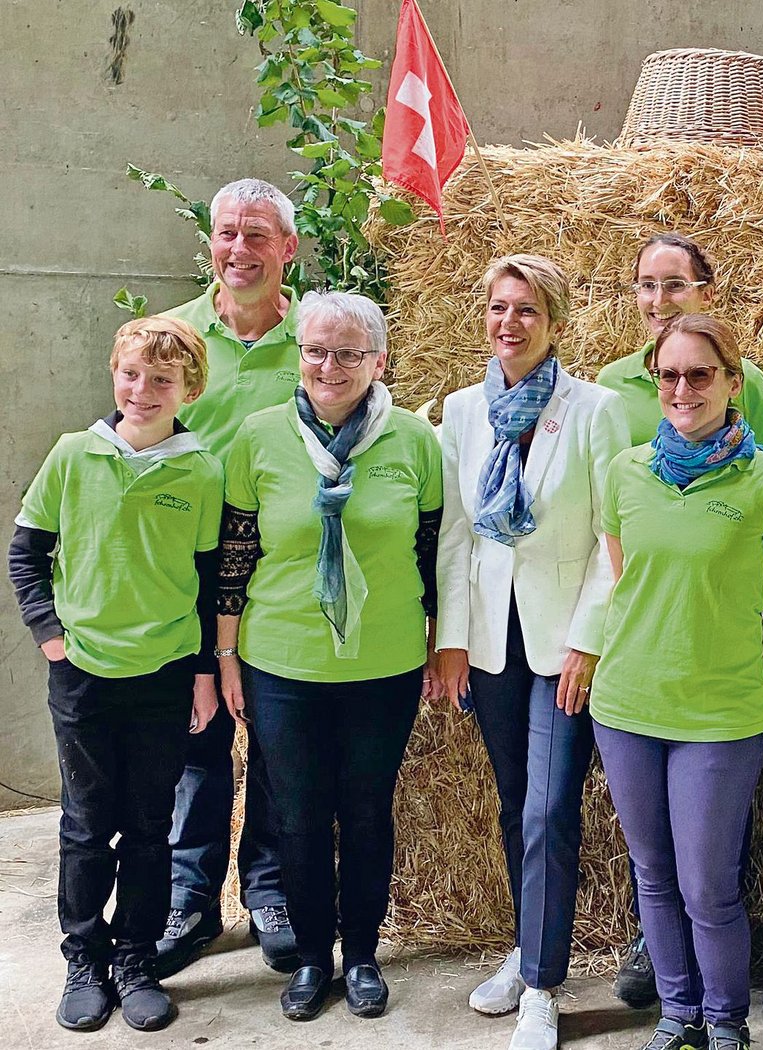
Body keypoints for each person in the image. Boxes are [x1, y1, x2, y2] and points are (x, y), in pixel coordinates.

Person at [215, 290, 443, 1021]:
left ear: (379, 361)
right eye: (317, 349)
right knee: (299, 815)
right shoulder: (257, 436)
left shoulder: (412, 440)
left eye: (349, 353)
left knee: (368, 810)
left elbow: (433, 553)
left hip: (384, 662)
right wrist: (225, 658)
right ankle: (315, 958)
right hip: (283, 663)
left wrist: (442, 643)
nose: (329, 365)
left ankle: (365, 954)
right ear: (299, 354)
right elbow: (233, 557)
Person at [592, 313, 763, 1050]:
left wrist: (744, 678)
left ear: (732, 382)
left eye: (699, 374)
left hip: (719, 714)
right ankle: (678, 1014)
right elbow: (630, 585)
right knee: (652, 875)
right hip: (626, 705)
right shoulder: (626, 472)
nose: (682, 389)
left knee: (707, 886)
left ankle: (725, 1021)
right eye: (669, 376)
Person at [8, 317, 223, 1032]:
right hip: (84, 676)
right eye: (132, 375)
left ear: (187, 389)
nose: (143, 390)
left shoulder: (200, 469)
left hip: (162, 673)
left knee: (149, 825)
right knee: (86, 822)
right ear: (113, 373)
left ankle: (135, 958)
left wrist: (200, 672)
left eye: (162, 380)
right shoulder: (74, 456)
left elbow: (203, 580)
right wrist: (51, 638)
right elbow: (26, 553)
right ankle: (84, 957)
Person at [436, 254, 629, 1050]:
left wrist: (588, 638)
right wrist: (450, 639)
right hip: (490, 640)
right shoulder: (458, 411)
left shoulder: (595, 411)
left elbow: (611, 544)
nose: (508, 322)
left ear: (554, 323)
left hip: (560, 641)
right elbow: (453, 534)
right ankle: (527, 947)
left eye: (526, 310)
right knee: (517, 804)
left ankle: (544, 989)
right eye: (497, 307)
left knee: (550, 808)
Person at [156, 177, 302, 977]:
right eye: (226, 234)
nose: (238, 250)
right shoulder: (174, 337)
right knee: (197, 740)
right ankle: (191, 900)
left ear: (288, 248)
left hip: (278, 568)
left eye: (256, 235)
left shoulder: (316, 338)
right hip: (192, 567)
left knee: (275, 738)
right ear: (209, 243)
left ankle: (270, 889)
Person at [598, 232, 763, 453]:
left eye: (675, 285)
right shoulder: (612, 383)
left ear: (706, 295)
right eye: (647, 285)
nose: (659, 300)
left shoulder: (745, 378)